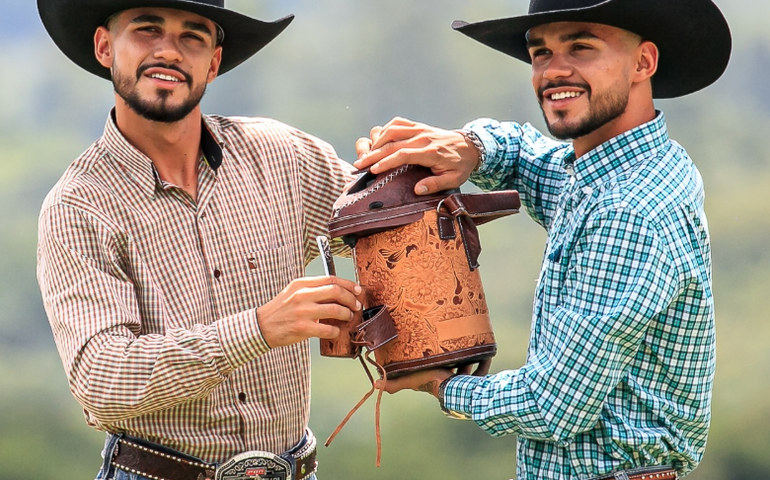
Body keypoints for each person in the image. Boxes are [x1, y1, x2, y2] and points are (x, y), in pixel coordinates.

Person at [353, 0, 731, 479]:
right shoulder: (623, 168)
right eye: (541, 53)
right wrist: (472, 146)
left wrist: (440, 386)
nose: (555, 71)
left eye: (581, 47)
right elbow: (529, 156)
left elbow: (555, 405)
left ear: (643, 62)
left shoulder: (626, 211)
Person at [35, 1, 362, 480]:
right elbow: (102, 381)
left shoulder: (282, 156)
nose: (169, 51)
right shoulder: (78, 206)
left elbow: (389, 223)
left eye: (193, 36)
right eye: (147, 30)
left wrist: (434, 159)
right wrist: (260, 328)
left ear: (213, 61)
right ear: (106, 47)